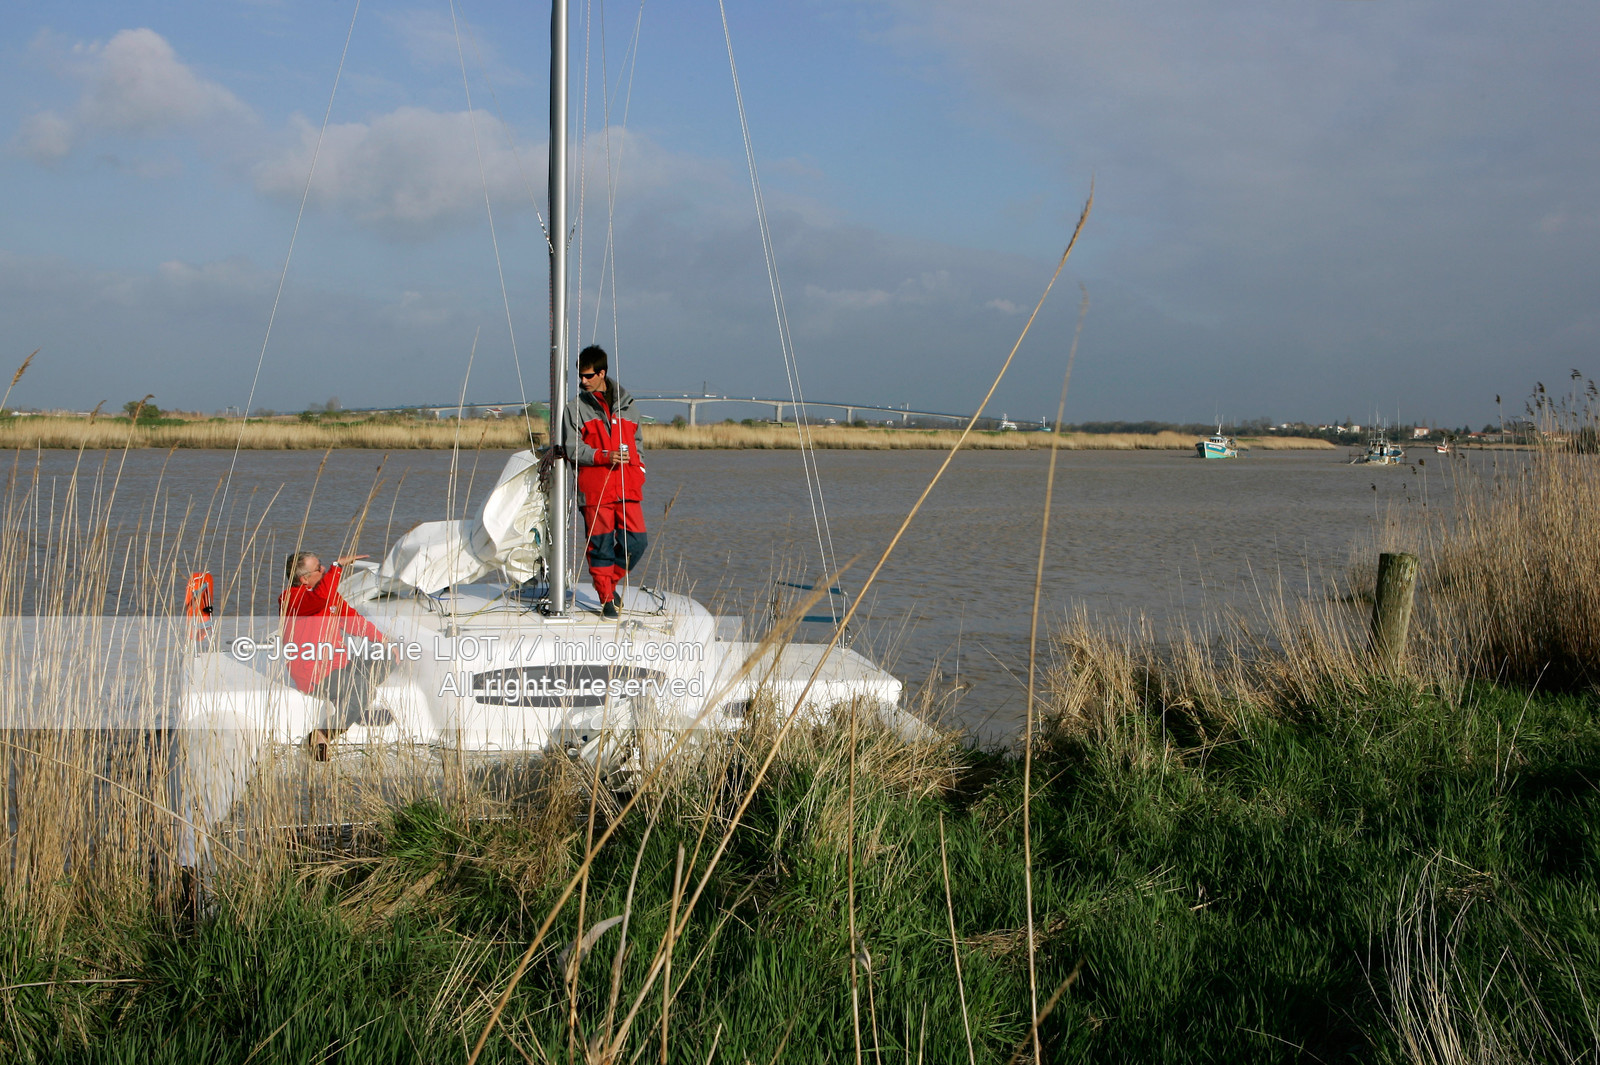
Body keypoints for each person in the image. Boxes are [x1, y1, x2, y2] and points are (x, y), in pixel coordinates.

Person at [278, 551, 393, 761]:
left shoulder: (329, 597)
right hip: (314, 674)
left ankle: (353, 700)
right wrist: (337, 567)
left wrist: (383, 640)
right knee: (362, 688)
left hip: (340, 664)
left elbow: (353, 621)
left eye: (323, 566)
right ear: (303, 579)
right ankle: (322, 734)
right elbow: (320, 597)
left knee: (390, 656)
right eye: (319, 568)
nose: (323, 570)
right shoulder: (291, 599)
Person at [563, 345, 648, 618]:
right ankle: (606, 599)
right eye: (580, 375)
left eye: (588, 376)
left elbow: (638, 442)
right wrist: (603, 456)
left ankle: (608, 583)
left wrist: (640, 469)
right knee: (599, 546)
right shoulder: (574, 409)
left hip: (627, 487)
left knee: (637, 543)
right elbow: (572, 449)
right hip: (595, 488)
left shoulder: (627, 403)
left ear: (602, 373)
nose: (582, 381)